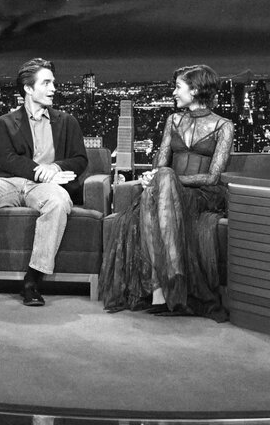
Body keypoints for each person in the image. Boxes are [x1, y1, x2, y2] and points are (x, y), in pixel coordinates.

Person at [99, 64, 235, 321]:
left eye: (178, 87)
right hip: (166, 192)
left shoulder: (224, 126)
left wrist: (169, 178)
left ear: (195, 90)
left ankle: (166, 283)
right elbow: (161, 164)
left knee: (163, 180)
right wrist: (154, 176)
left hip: (202, 194)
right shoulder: (173, 120)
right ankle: (170, 277)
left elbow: (213, 177)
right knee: (159, 182)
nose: (173, 92)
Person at [0, 58, 88, 308]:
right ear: (28, 88)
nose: (53, 88)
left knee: (59, 202)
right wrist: (41, 171)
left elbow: (80, 159)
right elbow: (8, 159)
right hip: (12, 181)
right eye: (46, 83)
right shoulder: (5, 122)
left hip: (47, 187)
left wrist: (55, 168)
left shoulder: (67, 121)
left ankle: (32, 280)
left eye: (53, 83)